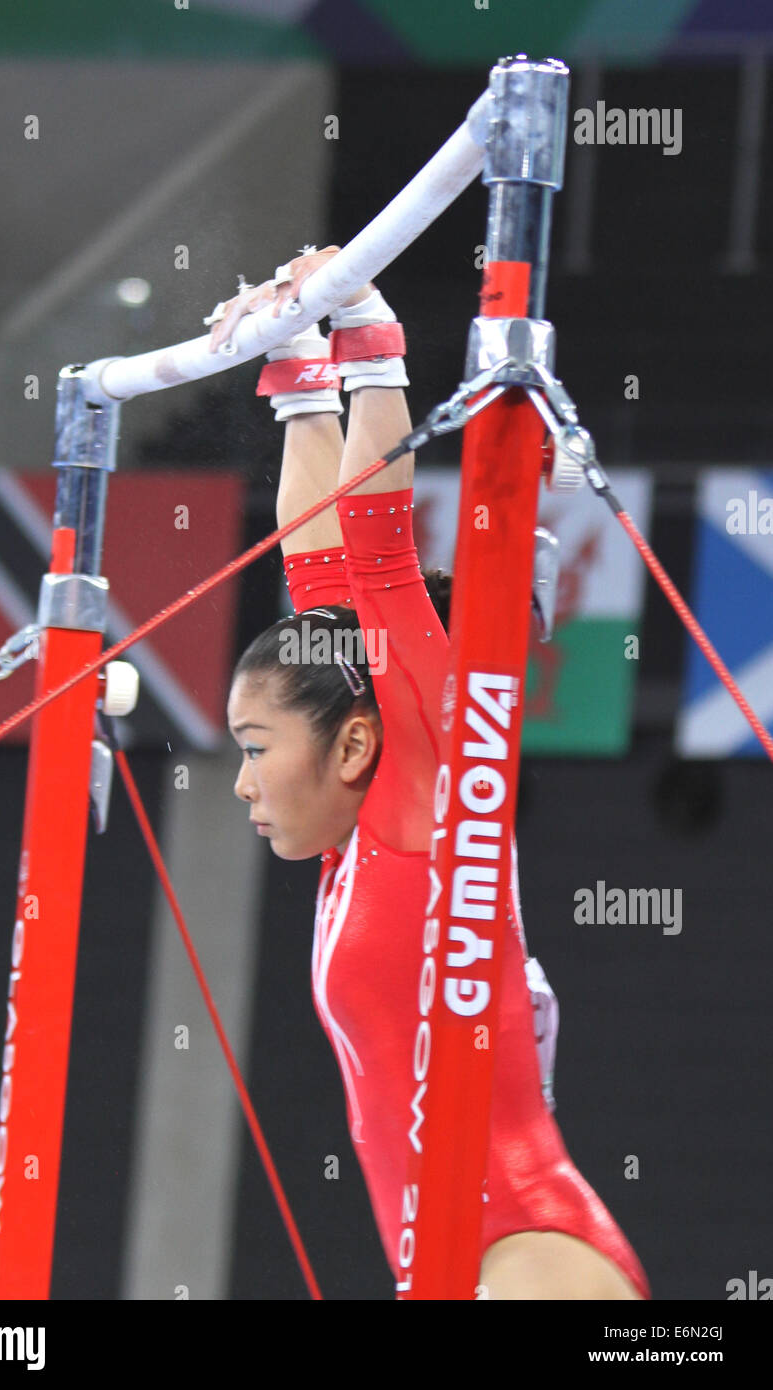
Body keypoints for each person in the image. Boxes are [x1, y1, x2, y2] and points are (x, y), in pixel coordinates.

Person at [211, 246, 650, 1300]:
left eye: (256, 749)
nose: (241, 783)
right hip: (450, 1255)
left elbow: (372, 557)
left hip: (522, 1243)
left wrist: (367, 334)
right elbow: (316, 566)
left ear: (358, 741)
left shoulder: (421, 803)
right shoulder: (365, 832)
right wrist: (295, 374)